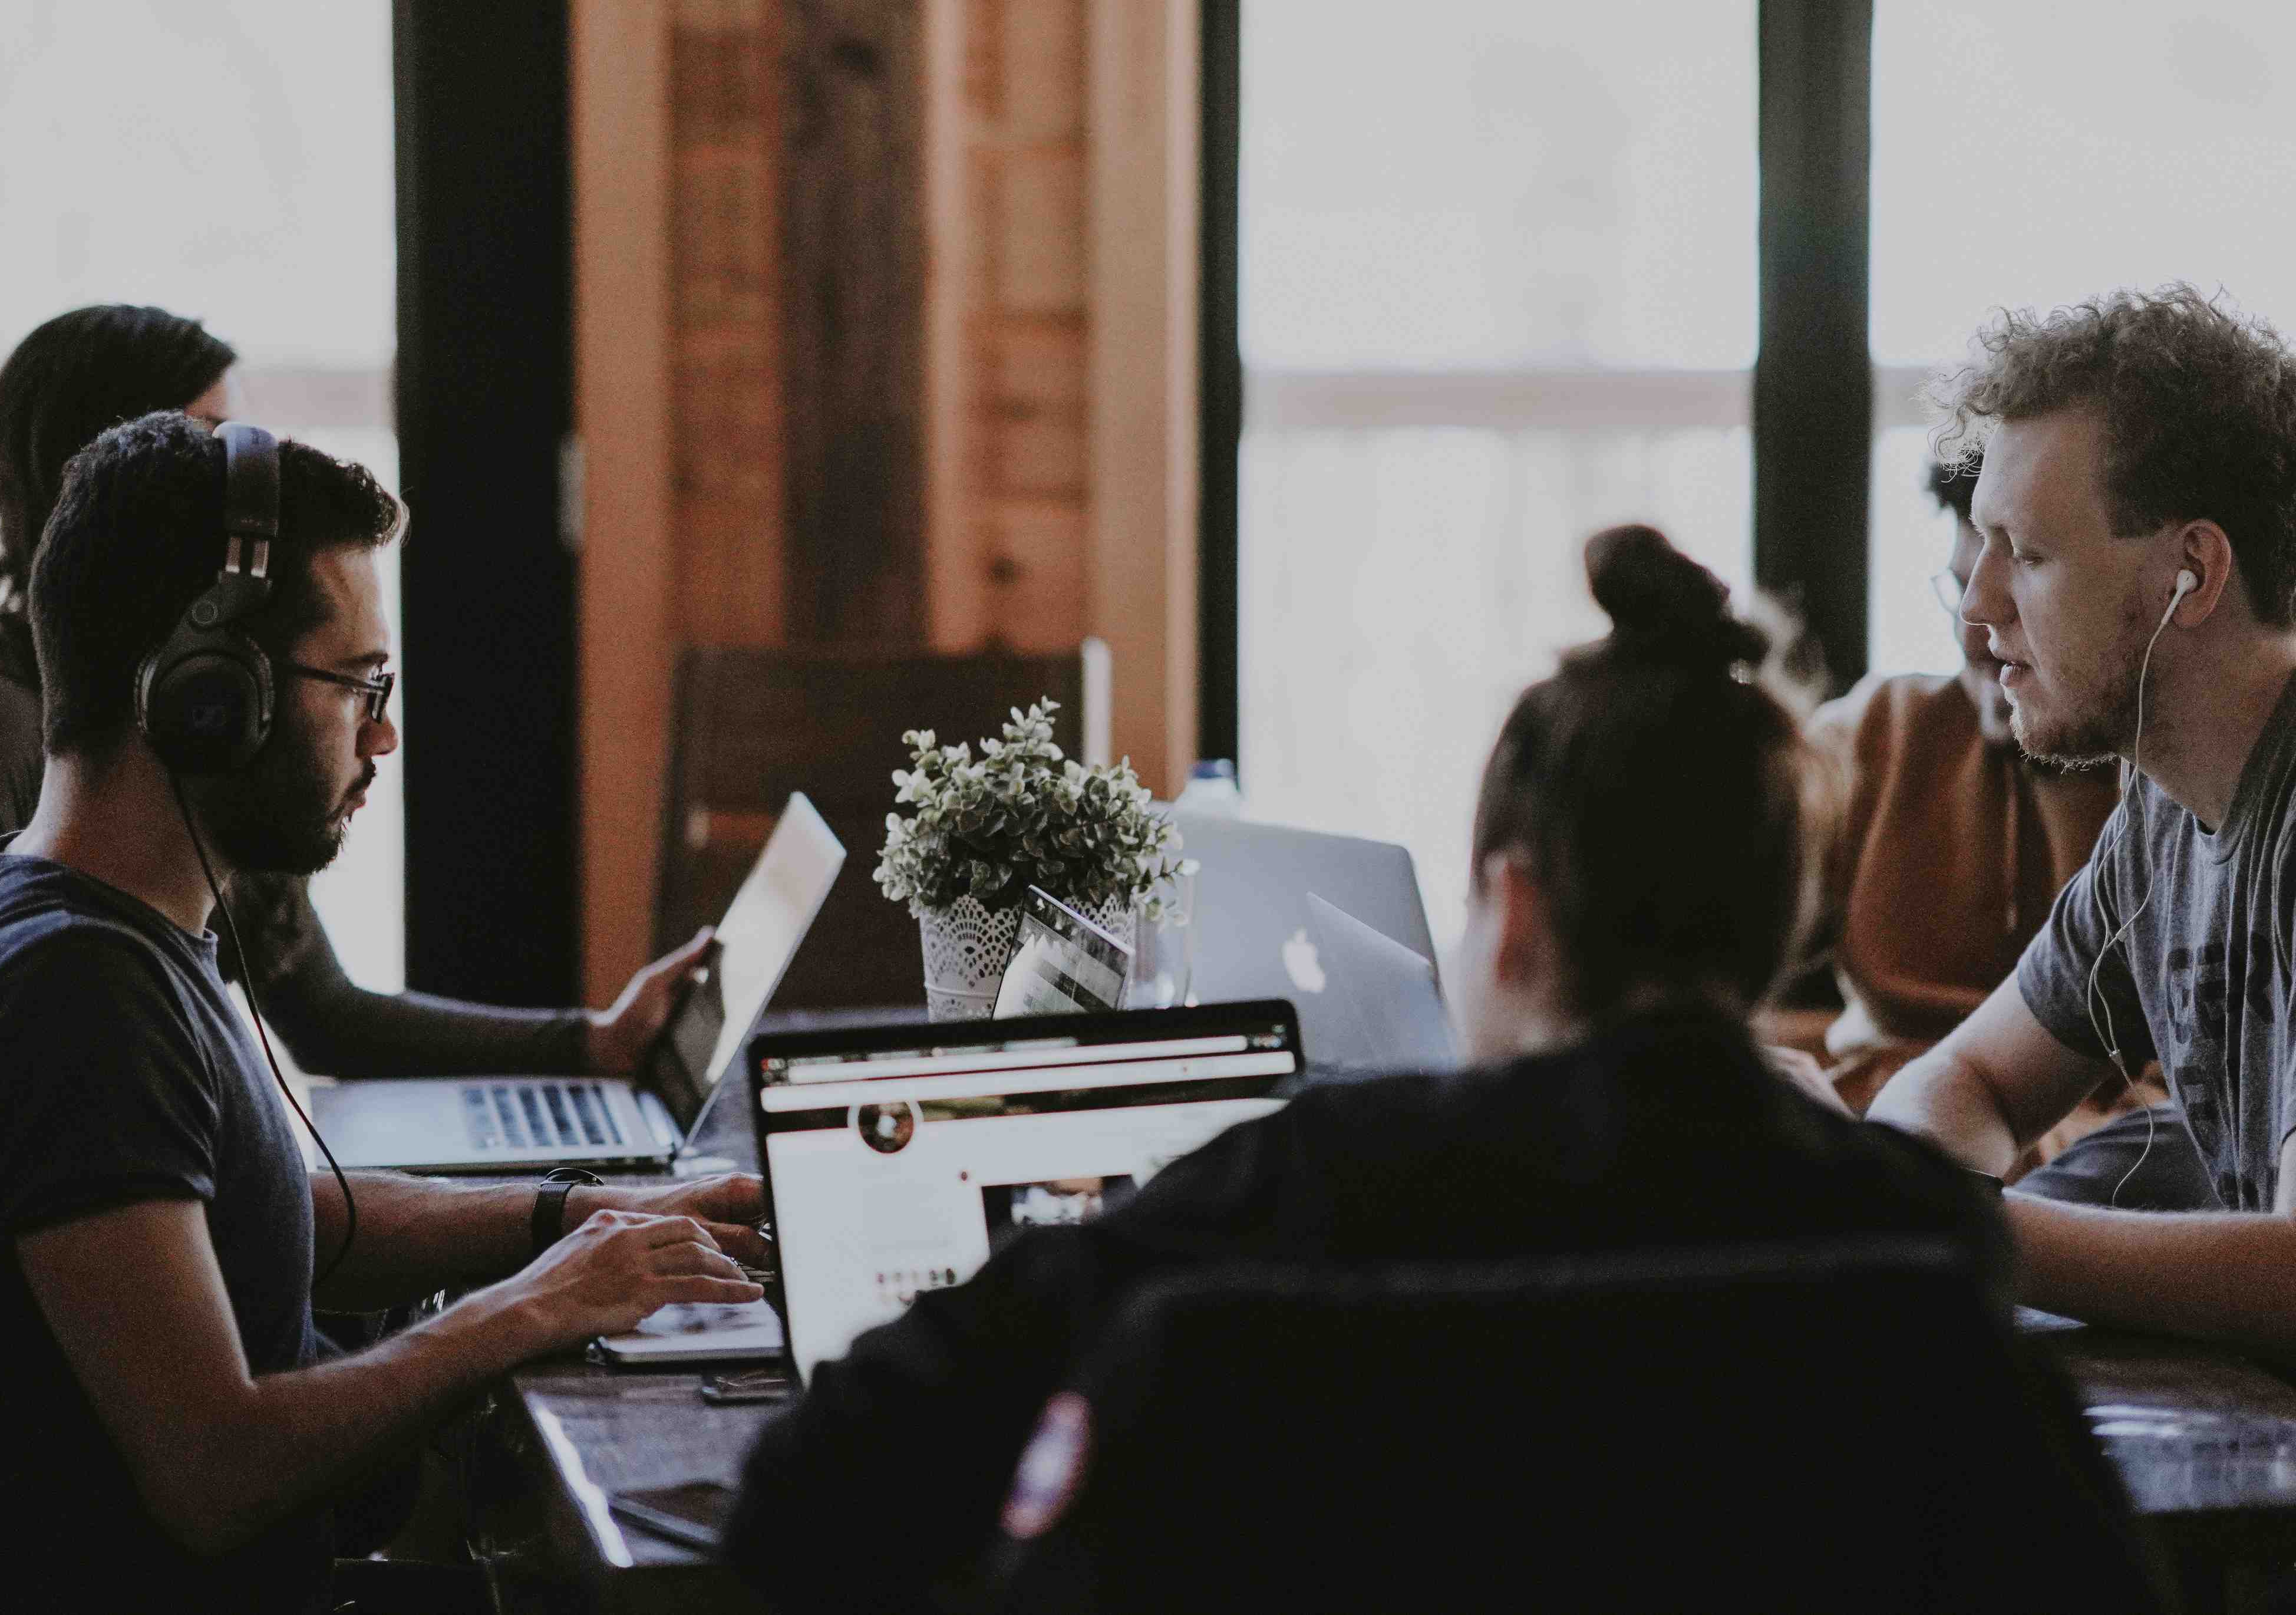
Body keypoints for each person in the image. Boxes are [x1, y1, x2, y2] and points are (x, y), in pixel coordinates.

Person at [724, 525, 2005, 1609]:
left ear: (1509, 912)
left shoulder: (1289, 1191)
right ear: (1782, 917)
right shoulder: (1923, 1241)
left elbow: (809, 1483)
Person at [0, 411, 768, 1611]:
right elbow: (213, 1467)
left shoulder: (60, 912)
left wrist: (591, 1213)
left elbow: (283, 1214)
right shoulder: (75, 996)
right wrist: (536, 1305)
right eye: (361, 683)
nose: (382, 734)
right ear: (209, 697)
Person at [0, 304, 701, 1080]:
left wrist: (593, 1043)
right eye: (209, 445)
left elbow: (328, 1016)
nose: (250, 496)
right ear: (102, 471)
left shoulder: (226, 717)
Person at [1867, 285, 2296, 1350]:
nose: (1977, 610)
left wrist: (1958, 1230)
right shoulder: (2162, 810)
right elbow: (1963, 1078)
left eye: (2032, 556)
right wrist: (1922, 1196)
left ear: (2191, 574)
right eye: (1982, 549)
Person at [1798, 460, 2212, 1210]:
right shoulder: (1877, 738)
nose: (1976, 627)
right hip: (1913, 1131)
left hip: (2093, 1165)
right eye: (1960, 586)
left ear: (2185, 580)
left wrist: (1946, 1220)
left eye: (2027, 575)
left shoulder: (2177, 794)